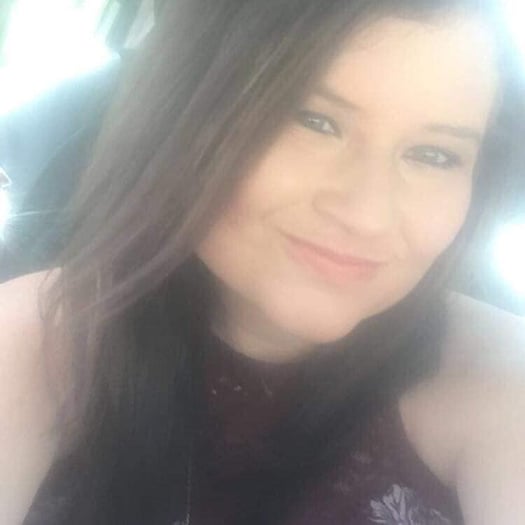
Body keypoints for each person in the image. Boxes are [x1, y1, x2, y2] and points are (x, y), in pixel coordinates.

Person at [1, 0, 524, 524]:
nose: (368, 216)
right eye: (314, 121)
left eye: (434, 155)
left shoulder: (502, 385)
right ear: (182, 115)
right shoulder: (39, 338)